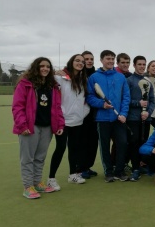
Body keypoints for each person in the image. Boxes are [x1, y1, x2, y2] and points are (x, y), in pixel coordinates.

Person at [12, 57, 65, 199]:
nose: (45, 69)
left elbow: (57, 107)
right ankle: (28, 186)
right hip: (30, 127)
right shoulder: (25, 84)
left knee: (40, 157)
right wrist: (22, 125)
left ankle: (37, 183)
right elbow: (17, 107)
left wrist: (59, 124)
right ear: (36, 67)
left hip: (47, 127)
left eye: (48, 66)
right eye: (42, 66)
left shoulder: (52, 86)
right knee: (27, 158)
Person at [47, 54, 90, 191]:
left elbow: (84, 101)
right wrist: (54, 72)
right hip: (62, 121)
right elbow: (47, 80)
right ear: (71, 62)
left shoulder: (83, 80)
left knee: (74, 148)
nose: (80, 63)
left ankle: (72, 175)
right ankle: (51, 179)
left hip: (77, 121)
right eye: (77, 60)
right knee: (60, 148)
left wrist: (82, 114)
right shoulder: (59, 77)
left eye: (82, 62)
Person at [86, 50, 130, 182]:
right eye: (107, 58)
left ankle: (119, 171)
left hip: (119, 118)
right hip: (102, 118)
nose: (110, 61)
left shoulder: (121, 77)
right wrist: (101, 104)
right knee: (104, 145)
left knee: (122, 143)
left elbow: (126, 97)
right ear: (101, 60)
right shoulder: (94, 77)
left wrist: (123, 114)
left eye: (112, 58)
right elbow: (89, 97)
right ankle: (109, 172)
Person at [126, 55, 155, 181]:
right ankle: (135, 168)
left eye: (144, 64)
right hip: (133, 118)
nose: (142, 67)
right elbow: (125, 100)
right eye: (140, 64)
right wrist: (138, 103)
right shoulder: (129, 81)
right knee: (134, 142)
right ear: (134, 65)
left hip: (145, 118)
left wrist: (148, 112)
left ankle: (141, 165)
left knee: (143, 142)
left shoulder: (148, 82)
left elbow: (152, 100)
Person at [80, 51, 99, 179]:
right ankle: (80, 168)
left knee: (93, 142)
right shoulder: (78, 74)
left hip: (95, 113)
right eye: (86, 59)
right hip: (81, 115)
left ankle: (87, 166)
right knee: (82, 142)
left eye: (91, 59)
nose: (89, 61)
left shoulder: (97, 74)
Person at [146, 59, 155, 127]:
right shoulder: (145, 80)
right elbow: (146, 96)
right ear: (148, 68)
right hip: (148, 111)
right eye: (153, 66)